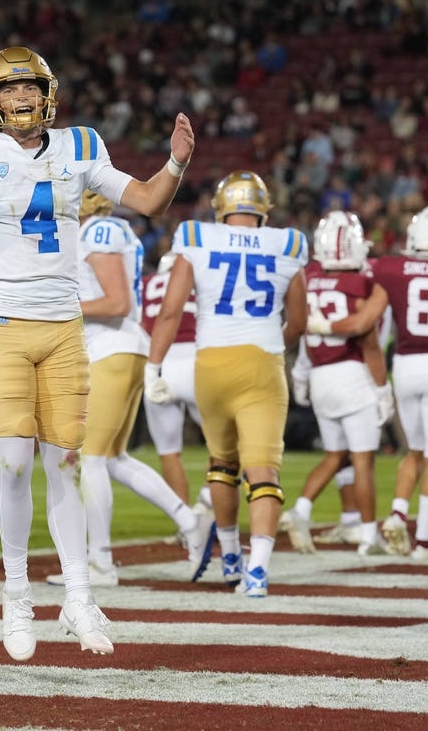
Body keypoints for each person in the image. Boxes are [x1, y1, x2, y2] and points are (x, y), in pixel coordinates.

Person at [0, 45, 195, 660]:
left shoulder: (79, 145)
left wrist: (175, 163)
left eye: (29, 87)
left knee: (65, 463)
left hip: (63, 326)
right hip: (2, 321)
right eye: (8, 91)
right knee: (10, 462)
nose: (20, 99)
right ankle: (16, 596)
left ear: (47, 92)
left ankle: (80, 596)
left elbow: (145, 200)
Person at [309, 205, 428, 560]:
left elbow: (362, 321)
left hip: (405, 366)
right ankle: (425, 542)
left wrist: (323, 327)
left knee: (415, 452)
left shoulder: (391, 269)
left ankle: (398, 514)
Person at [147, 170, 308, 598]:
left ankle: (231, 553)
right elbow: (300, 321)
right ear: (262, 209)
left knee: (222, 462)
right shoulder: (288, 242)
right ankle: (257, 571)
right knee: (263, 470)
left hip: (211, 362)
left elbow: (170, 311)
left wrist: (154, 366)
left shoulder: (197, 236)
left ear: (221, 208)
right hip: (262, 361)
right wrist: (272, 344)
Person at [46, 190, 215, 589]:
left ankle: (101, 562)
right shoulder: (104, 229)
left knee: (87, 458)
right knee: (112, 458)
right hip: (120, 349)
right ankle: (191, 523)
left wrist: (58, 307)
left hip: (112, 348)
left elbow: (117, 302)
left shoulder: (99, 230)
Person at [282, 210, 392, 557]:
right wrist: (382, 389)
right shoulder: (361, 282)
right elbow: (370, 343)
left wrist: (300, 372)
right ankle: (369, 536)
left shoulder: (308, 276)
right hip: (351, 374)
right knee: (362, 461)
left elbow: (299, 328)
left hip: (320, 374)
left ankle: (300, 510)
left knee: (334, 455)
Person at [140, 251, 208, 508]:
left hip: (158, 365)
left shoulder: (146, 283)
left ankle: (185, 521)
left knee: (168, 452)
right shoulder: (199, 282)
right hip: (195, 362)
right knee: (224, 446)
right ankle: (206, 504)